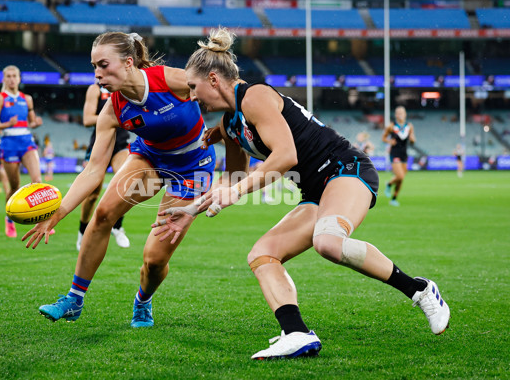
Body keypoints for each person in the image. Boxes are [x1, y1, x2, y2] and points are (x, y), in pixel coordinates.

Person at [153, 28, 450, 360]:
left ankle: (421, 290)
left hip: (344, 169)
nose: (191, 96)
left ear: (212, 79)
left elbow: (285, 157)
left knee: (328, 241)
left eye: (193, 87)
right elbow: (233, 180)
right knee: (262, 254)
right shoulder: (230, 125)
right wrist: (190, 211)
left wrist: (235, 190)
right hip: (315, 189)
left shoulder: (255, 96)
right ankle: (296, 334)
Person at [22, 32, 216, 328]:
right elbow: (92, 171)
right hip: (150, 158)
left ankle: (143, 300)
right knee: (102, 215)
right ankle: (74, 299)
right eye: (94, 67)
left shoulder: (170, 80)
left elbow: (222, 92)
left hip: (193, 167)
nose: (97, 74)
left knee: (153, 261)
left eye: (103, 65)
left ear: (128, 63)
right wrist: (58, 213)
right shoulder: (113, 109)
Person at [0, 65, 44, 237]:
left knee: (37, 180)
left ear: (19, 78)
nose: (12, 79)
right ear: (4, 79)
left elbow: (31, 122)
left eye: (15, 76)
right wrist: (7, 124)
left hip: (26, 141)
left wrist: (36, 123)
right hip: (9, 143)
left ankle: (40, 221)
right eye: (9, 76)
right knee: (15, 187)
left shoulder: (27, 99)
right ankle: (9, 219)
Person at [76, 83, 131, 251]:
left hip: (121, 142)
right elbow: (87, 119)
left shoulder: (126, 87)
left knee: (126, 183)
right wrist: (115, 118)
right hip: (100, 143)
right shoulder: (95, 89)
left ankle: (117, 226)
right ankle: (82, 232)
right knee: (92, 195)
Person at [382, 106, 415, 206]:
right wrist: (389, 141)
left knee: (401, 179)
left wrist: (413, 140)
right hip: (394, 153)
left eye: (402, 113)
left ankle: (394, 198)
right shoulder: (391, 126)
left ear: (405, 114)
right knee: (400, 176)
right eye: (398, 113)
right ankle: (388, 184)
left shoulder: (409, 126)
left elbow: (412, 140)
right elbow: (383, 138)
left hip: (404, 153)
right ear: (396, 115)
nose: (400, 114)